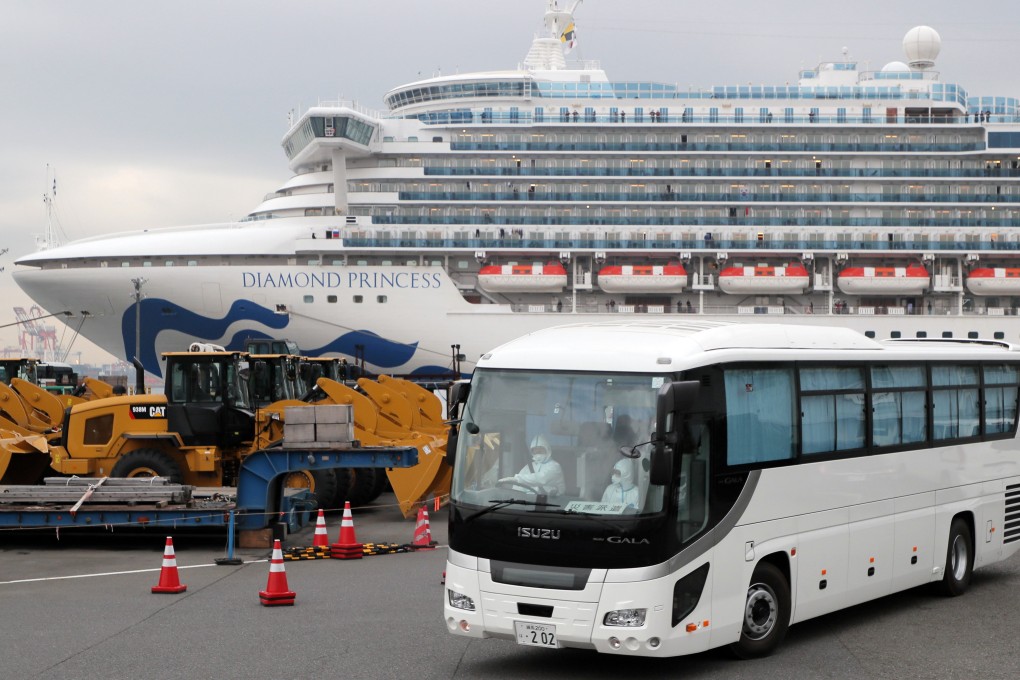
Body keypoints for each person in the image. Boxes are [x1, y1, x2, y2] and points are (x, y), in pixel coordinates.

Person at [499, 434, 565, 496]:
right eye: (535, 451)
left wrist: (516, 479)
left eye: (540, 450)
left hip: (553, 504)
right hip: (530, 504)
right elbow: (517, 489)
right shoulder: (528, 467)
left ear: (547, 450)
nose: (538, 453)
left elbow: (541, 479)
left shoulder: (555, 467)